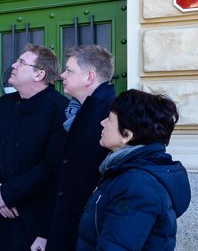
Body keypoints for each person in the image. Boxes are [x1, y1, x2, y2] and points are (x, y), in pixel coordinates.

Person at [0, 44, 69, 250]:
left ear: (39, 74)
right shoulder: (4, 104)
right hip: (0, 212)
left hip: (35, 217)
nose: (13, 65)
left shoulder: (59, 109)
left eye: (21, 62)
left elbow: (51, 165)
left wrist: (8, 194)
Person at [76, 89, 191, 250]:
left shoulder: (137, 184)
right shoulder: (127, 171)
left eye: (109, 119)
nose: (103, 123)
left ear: (126, 135)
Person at [31, 44, 116, 251]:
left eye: (69, 70)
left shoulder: (111, 115)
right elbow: (62, 179)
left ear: (89, 77)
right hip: (66, 228)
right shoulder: (76, 112)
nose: (61, 75)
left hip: (87, 234)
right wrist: (46, 232)